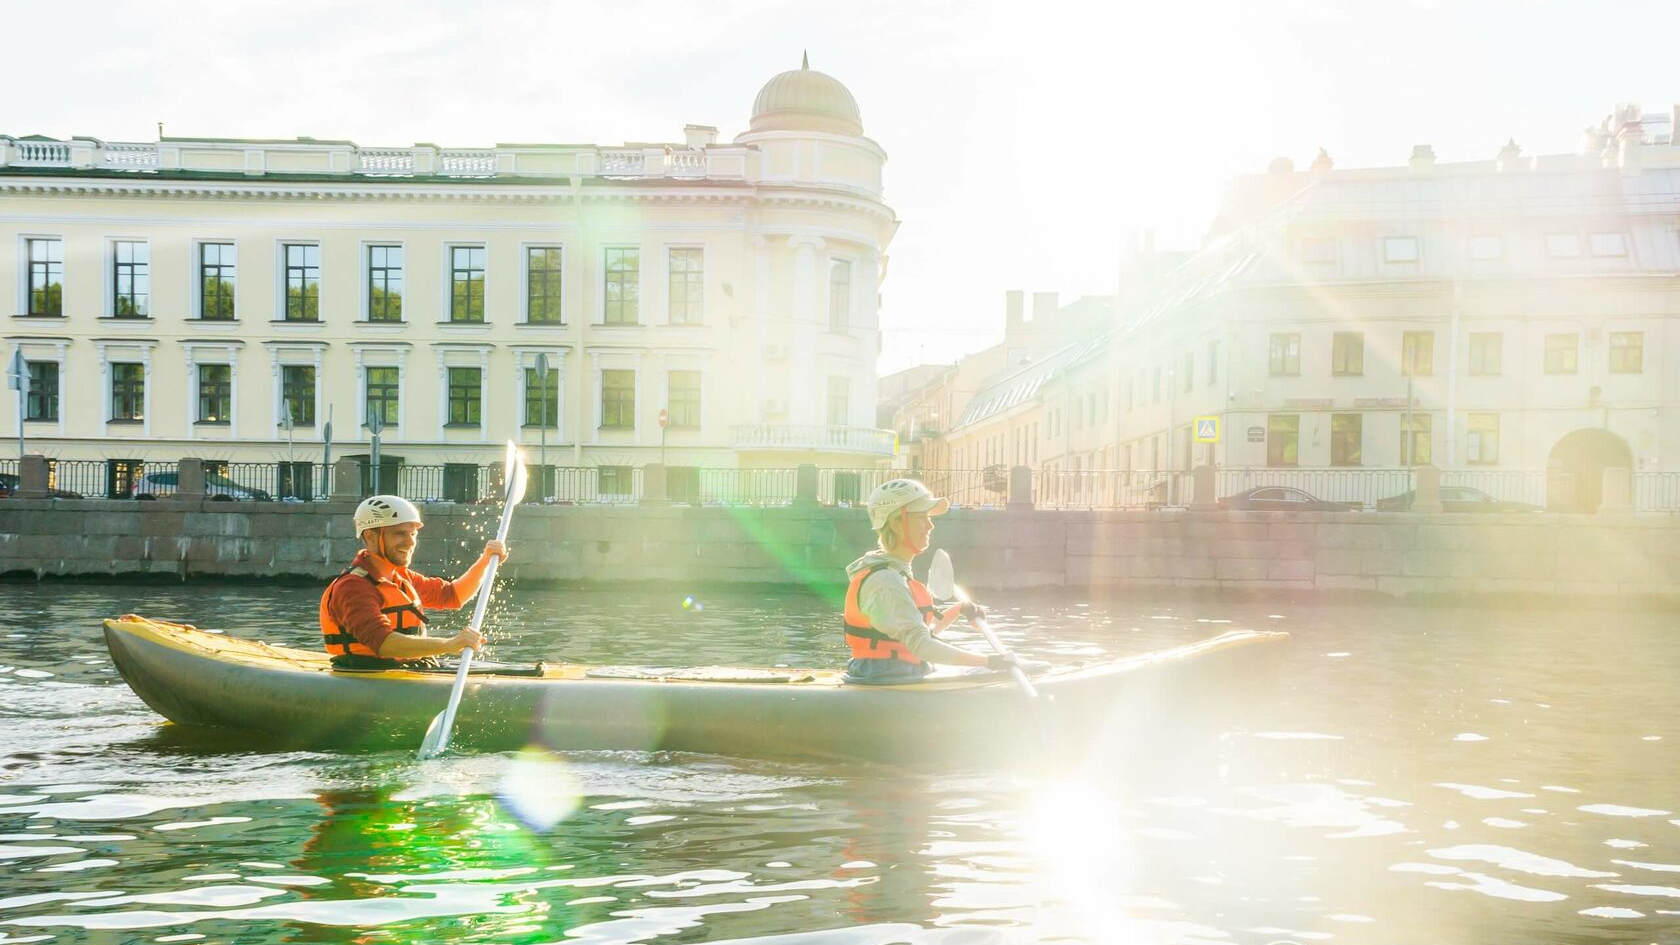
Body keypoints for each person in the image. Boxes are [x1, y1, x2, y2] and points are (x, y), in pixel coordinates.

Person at [842, 479, 1044, 684]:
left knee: (983, 666)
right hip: (888, 675)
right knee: (987, 670)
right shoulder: (886, 581)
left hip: (896, 671)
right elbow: (922, 645)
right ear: (895, 522)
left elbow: (921, 634)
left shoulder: (894, 572)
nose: (930, 525)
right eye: (922, 517)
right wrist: (990, 662)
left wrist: (959, 609)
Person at [319, 495, 509, 669]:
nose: (410, 542)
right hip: (366, 673)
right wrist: (449, 645)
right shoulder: (353, 587)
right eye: (400, 533)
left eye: (413, 534)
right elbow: (384, 644)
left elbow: (453, 596)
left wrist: (485, 561)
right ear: (370, 537)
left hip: (408, 668)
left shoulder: (403, 578)